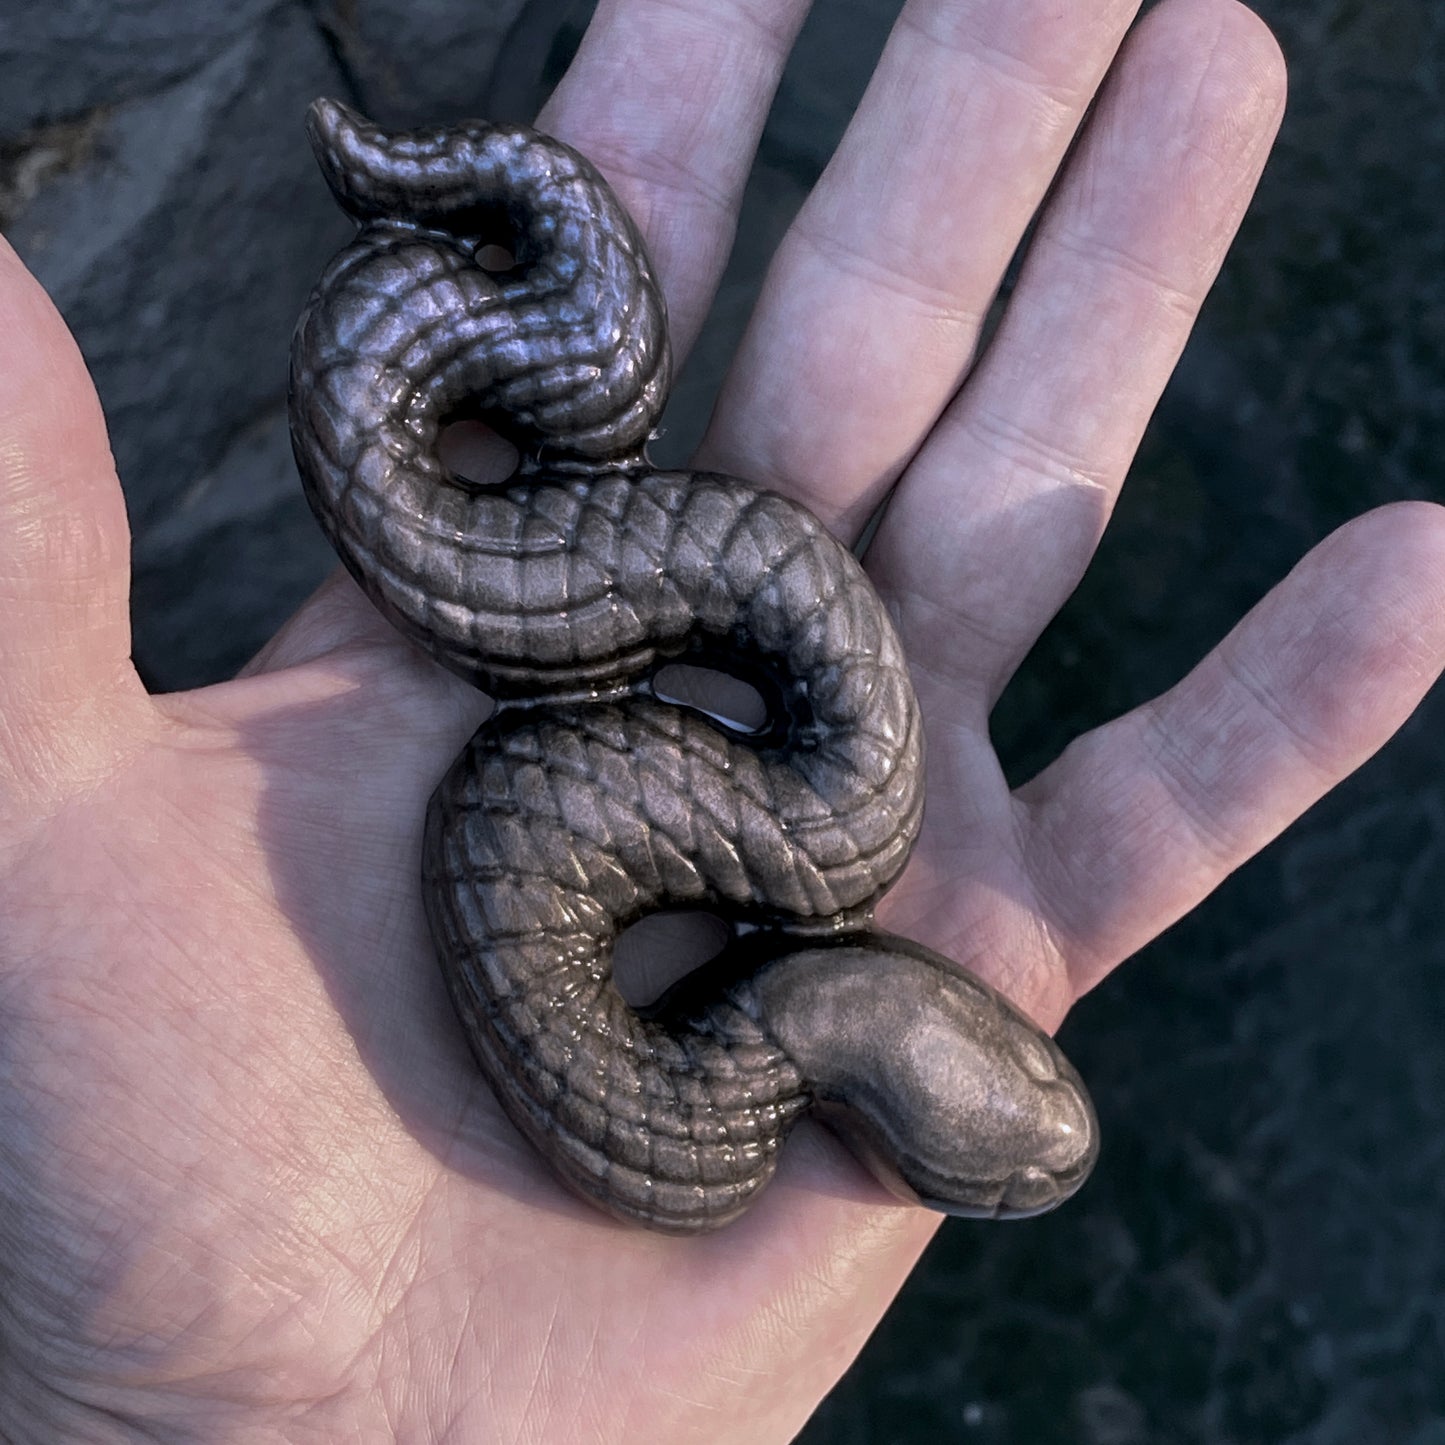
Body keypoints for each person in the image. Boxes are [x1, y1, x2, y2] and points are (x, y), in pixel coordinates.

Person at [1, 0, 1441, 1437]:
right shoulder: (780, 968)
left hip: (608, 769)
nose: (1013, 1173)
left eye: (983, 1171)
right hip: (638, 736)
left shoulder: (721, 1089)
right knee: (801, 751)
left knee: (772, 732)